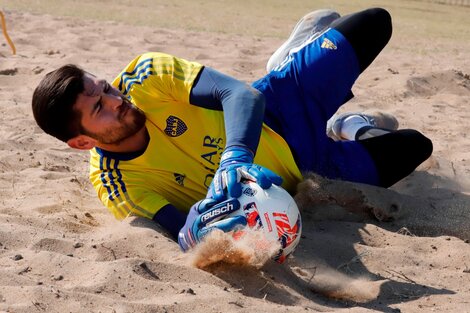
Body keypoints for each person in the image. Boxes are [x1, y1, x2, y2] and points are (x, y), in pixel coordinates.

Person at [31, 8, 432, 252]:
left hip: (278, 105)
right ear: (82, 142)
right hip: (311, 174)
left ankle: (287, 60)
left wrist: (235, 156)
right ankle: (351, 128)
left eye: (105, 87)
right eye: (99, 107)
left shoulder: (143, 76)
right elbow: (184, 233)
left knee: (374, 23)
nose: (116, 99)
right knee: (415, 147)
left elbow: (240, 95)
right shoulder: (118, 183)